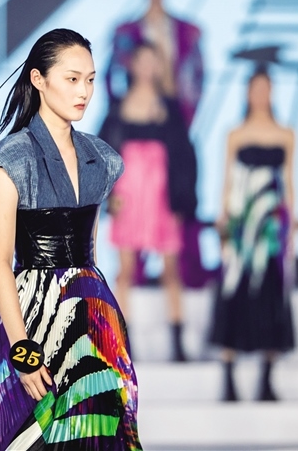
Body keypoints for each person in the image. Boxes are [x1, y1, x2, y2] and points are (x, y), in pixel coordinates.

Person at [0, 29, 142, 450]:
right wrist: (22, 350)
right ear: (38, 80)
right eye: (72, 79)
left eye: (90, 79)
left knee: (98, 433)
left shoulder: (101, 158)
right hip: (33, 315)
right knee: (31, 434)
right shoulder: (12, 159)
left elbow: (89, 249)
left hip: (92, 312)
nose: (84, 91)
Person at [106, 0, 214, 291]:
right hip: (137, 127)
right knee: (129, 236)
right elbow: (112, 77)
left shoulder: (186, 30)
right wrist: (130, 107)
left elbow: (198, 76)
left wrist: (177, 110)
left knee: (178, 203)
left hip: (172, 122)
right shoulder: (126, 32)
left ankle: (187, 274)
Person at [99, 43, 197, 362]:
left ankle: (178, 341)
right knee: (125, 269)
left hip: (161, 193)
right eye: (141, 61)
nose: (146, 68)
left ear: (159, 66)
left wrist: (182, 200)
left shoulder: (170, 107)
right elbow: (101, 153)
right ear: (132, 65)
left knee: (171, 268)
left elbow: (185, 157)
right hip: (128, 194)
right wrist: (108, 195)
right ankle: (124, 344)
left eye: (152, 61)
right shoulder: (118, 107)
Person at [211, 67, 297, 402]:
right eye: (256, 88)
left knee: (271, 295)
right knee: (234, 292)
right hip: (241, 226)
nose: (261, 94)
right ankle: (229, 377)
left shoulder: (286, 134)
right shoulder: (235, 134)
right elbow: (228, 182)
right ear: (247, 93)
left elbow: (289, 183)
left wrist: (293, 225)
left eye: (266, 88)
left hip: (272, 229)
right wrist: (223, 222)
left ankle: (267, 378)